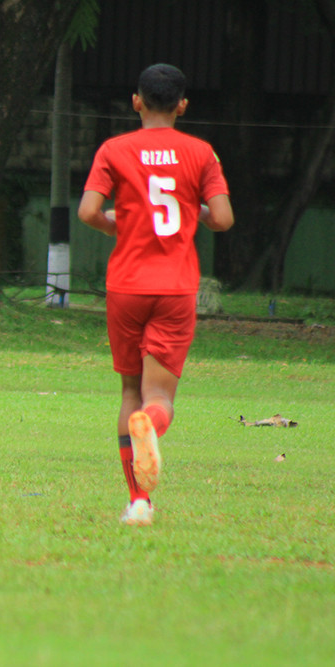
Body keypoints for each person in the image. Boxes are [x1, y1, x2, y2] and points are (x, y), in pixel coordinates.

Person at [78, 64, 234, 525]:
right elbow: (223, 219)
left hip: (126, 284)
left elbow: (89, 210)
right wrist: (198, 212)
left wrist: (114, 224)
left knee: (129, 387)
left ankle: (139, 502)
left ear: (136, 102)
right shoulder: (200, 152)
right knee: (158, 397)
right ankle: (154, 424)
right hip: (175, 285)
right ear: (182, 105)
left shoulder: (114, 148)